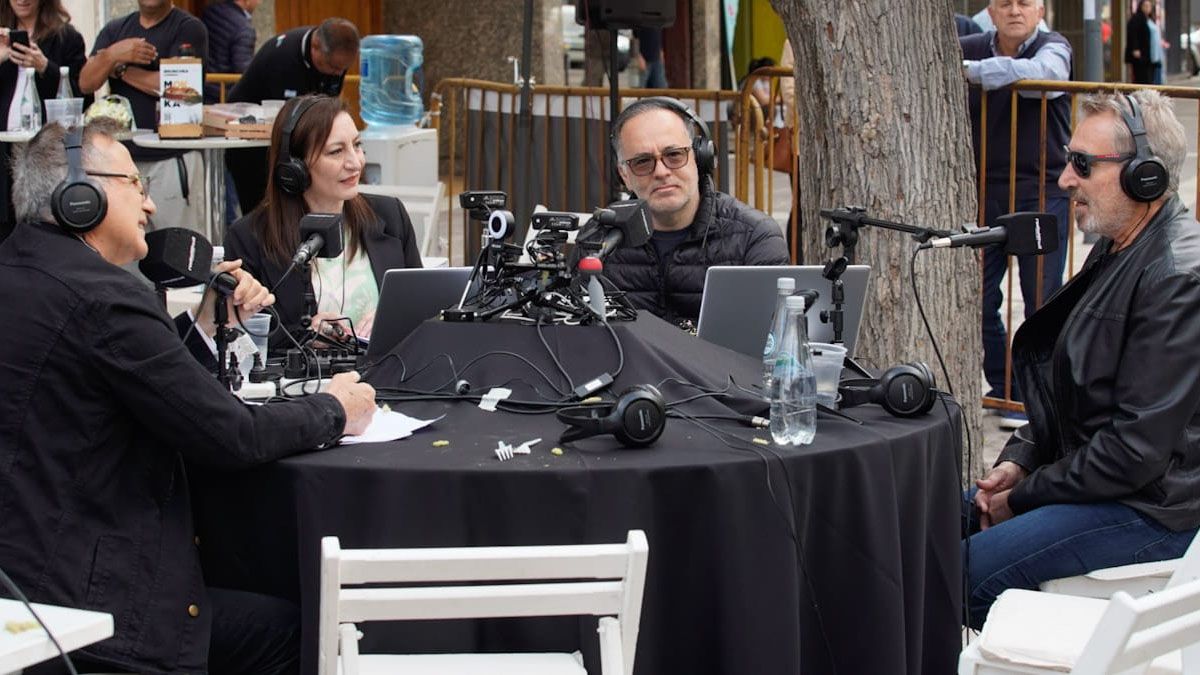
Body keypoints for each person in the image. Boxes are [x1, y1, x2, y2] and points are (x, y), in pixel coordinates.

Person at [0, 118, 377, 674]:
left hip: (25, 580)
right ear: (80, 197)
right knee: (300, 632)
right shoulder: (106, 298)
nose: (150, 209)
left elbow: (148, 387)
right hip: (96, 611)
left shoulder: (21, 271)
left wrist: (206, 323)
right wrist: (336, 410)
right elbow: (230, 433)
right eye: (136, 186)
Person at [962, 90, 1200, 630]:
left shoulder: (1178, 277)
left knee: (959, 573)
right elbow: (1067, 388)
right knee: (921, 529)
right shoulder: (1119, 245)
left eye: (1082, 164)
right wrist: (1019, 460)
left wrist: (1022, 497)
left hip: (1151, 509)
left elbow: (1133, 453)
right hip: (1097, 483)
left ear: (1146, 177)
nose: (1066, 180)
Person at [224, 95, 422, 353]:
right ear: (295, 168)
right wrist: (306, 336)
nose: (356, 162)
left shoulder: (390, 215)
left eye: (357, 145)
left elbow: (422, 308)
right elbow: (241, 340)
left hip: (389, 377)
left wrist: (395, 319)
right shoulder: (249, 237)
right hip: (303, 388)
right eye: (336, 151)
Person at [960, 0, 1072, 429]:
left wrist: (973, 72)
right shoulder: (970, 44)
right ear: (991, 8)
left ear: (1040, 9)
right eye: (1005, 1)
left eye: (1024, 2)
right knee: (980, 300)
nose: (1014, 10)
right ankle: (1008, 390)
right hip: (985, 193)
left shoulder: (1054, 46)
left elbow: (1043, 78)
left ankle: (1040, 399)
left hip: (1041, 193)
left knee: (1041, 303)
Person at [579, 96, 788, 325]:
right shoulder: (598, 239)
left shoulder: (755, 237)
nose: (661, 172)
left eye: (674, 155)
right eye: (642, 161)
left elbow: (774, 341)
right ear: (624, 175)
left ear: (700, 158)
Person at [79, 0, 207, 234]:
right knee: (125, 248)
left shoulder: (188, 27)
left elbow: (180, 89)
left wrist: (120, 69)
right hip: (122, 163)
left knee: (175, 247)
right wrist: (112, 55)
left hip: (171, 158)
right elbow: (87, 82)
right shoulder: (115, 30)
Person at [226, 17, 360, 216]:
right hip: (253, 144)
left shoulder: (335, 60)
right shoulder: (282, 58)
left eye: (342, 70)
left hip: (299, 142)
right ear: (316, 47)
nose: (337, 74)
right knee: (266, 213)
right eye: (333, 68)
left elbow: (328, 107)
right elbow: (286, 122)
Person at [0, 0, 87, 241]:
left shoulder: (66, 37)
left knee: (45, 224)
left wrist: (45, 66)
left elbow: (82, 96)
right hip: (4, 148)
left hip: (47, 149)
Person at [201, 0, 258, 225]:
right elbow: (245, 75)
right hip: (224, 111)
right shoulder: (243, 28)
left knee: (215, 180)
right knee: (226, 184)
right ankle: (229, 231)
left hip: (204, 105)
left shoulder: (212, 12)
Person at [1125, 0, 1156, 84]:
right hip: (1140, 54)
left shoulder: (1149, 19)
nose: (1148, 8)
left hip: (1147, 54)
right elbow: (1133, 33)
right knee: (1141, 76)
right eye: (1145, 6)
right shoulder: (1137, 18)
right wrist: (1135, 48)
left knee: (1147, 76)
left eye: (1149, 6)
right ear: (1141, 7)